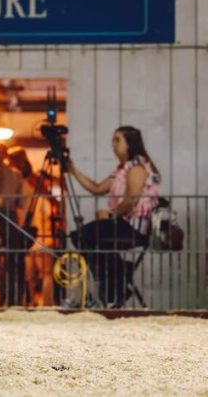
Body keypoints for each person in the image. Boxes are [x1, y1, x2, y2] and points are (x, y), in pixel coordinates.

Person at [69, 126, 160, 307]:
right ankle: (119, 277)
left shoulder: (137, 167)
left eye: (117, 140)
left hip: (133, 226)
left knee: (84, 236)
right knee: (84, 236)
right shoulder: (121, 169)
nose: (113, 144)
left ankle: (115, 283)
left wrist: (110, 214)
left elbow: (131, 200)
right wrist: (73, 171)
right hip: (122, 222)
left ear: (130, 144)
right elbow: (97, 188)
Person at [8, 147, 55, 306]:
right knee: (41, 272)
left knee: (33, 273)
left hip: (30, 229)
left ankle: (35, 302)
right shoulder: (35, 182)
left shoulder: (20, 182)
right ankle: (42, 303)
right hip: (37, 230)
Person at [0, 143, 25, 306]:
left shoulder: (15, 174)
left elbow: (20, 201)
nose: (0, 156)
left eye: (2, 153)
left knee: (12, 259)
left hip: (9, 215)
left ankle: (12, 299)